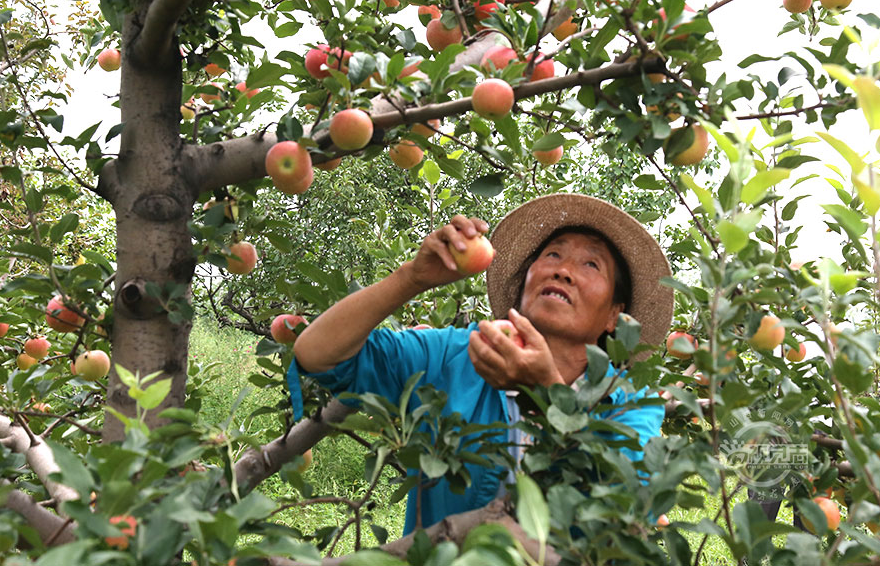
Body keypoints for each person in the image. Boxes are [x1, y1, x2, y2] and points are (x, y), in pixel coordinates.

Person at [289, 193, 674, 535]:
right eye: (552, 254)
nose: (563, 269)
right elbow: (319, 355)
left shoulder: (628, 400)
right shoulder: (457, 354)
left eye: (591, 264)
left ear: (614, 317)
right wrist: (412, 278)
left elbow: (630, 496)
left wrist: (545, 392)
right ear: (523, 283)